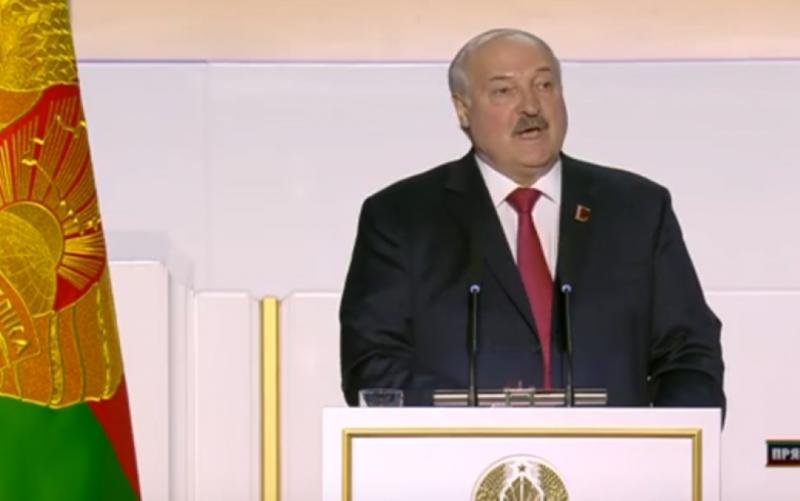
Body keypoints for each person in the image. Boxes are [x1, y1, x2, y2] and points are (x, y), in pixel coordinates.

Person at [339, 28, 725, 409]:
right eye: (504, 91)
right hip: (460, 451)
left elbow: (688, 354)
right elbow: (373, 364)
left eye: (544, 85)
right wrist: (484, 431)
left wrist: (671, 441)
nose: (530, 107)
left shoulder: (637, 209)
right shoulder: (401, 217)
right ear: (462, 110)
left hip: (612, 451)